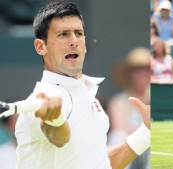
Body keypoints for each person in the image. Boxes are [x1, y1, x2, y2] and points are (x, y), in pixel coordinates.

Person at [14, 2, 150, 169]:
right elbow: (59, 137)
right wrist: (55, 120)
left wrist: (146, 132)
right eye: (63, 34)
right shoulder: (43, 96)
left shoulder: (88, 95)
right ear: (41, 46)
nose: (73, 41)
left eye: (78, 33)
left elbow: (100, 164)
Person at [108, 47, 150, 169]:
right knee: (118, 136)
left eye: (146, 69)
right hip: (128, 146)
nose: (142, 74)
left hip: (149, 148)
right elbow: (120, 130)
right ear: (129, 74)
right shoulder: (118, 101)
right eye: (136, 70)